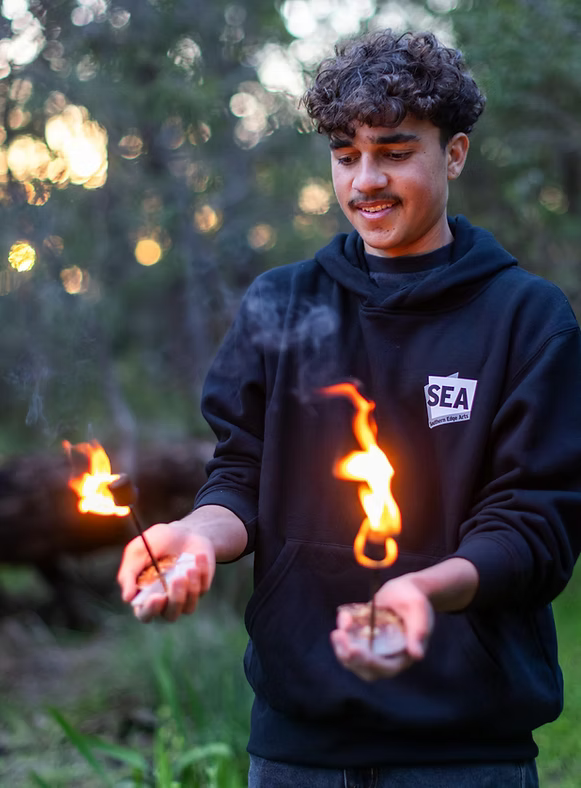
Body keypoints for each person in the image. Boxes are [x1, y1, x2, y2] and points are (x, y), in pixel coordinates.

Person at [117, 30, 581, 787]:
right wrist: (197, 538)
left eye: (394, 152)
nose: (365, 179)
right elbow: (239, 474)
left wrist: (421, 590)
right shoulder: (281, 301)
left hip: (464, 748)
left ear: (454, 153)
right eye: (345, 153)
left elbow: (535, 525)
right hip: (296, 745)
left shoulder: (526, 318)